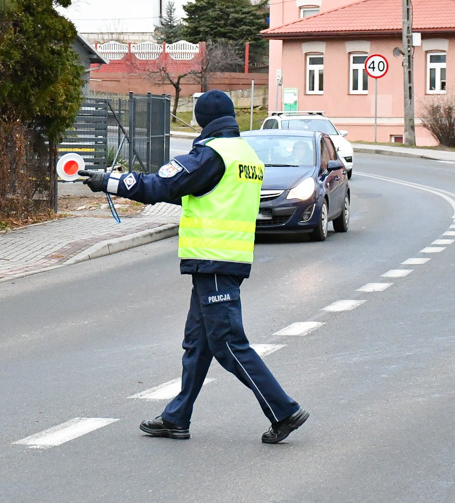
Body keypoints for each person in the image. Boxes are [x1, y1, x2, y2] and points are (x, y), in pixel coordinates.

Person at [78, 89, 308, 444]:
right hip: (225, 259)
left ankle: (283, 410)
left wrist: (108, 181)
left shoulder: (211, 154)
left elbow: (161, 185)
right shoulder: (244, 154)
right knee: (198, 344)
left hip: (214, 260)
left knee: (228, 343)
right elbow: (180, 189)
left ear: (203, 120)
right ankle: (177, 418)